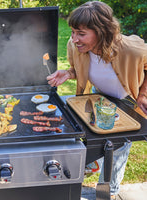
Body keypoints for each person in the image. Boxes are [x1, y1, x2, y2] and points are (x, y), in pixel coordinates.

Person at [47, 1, 147, 199]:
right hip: (98, 96)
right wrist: (68, 73)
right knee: (96, 141)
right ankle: (95, 164)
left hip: (127, 102)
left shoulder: (131, 49)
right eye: (73, 32)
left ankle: (110, 191)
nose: (74, 39)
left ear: (102, 32)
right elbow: (81, 68)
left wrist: (143, 94)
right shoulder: (75, 46)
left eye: (81, 33)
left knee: (119, 148)